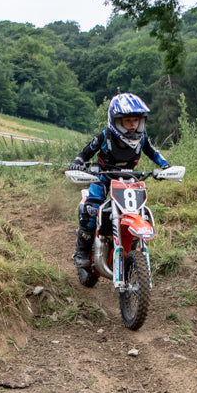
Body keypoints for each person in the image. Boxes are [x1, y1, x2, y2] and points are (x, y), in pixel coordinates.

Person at [69, 92, 170, 268]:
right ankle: (82, 251)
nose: (133, 125)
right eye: (128, 121)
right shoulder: (106, 136)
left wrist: (166, 167)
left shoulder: (142, 139)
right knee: (90, 210)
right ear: (116, 121)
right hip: (103, 177)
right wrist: (78, 162)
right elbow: (87, 151)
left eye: (136, 121)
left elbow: (154, 153)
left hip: (129, 180)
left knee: (139, 212)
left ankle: (130, 247)